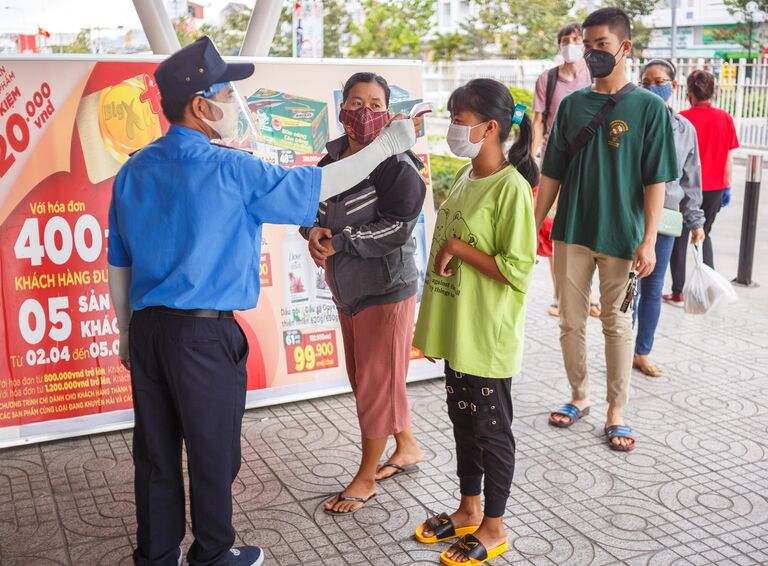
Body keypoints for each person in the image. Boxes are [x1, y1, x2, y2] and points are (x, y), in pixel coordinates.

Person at [107, 37, 420, 566]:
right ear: (202, 106)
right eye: (227, 91)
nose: (234, 102)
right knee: (212, 453)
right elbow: (322, 181)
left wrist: (124, 331)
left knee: (156, 455)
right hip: (204, 337)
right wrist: (387, 146)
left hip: (148, 331)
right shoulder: (231, 169)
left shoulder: (134, 168)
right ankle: (212, 553)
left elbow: (120, 261)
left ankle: (157, 556)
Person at [535, 8, 679, 452]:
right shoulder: (574, 105)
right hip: (572, 230)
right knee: (570, 323)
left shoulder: (650, 108)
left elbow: (656, 179)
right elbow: (552, 171)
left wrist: (649, 238)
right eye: (588, 45)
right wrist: (532, 221)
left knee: (616, 324)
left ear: (624, 48)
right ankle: (580, 396)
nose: (593, 53)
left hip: (623, 235)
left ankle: (618, 409)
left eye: (602, 45)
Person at [412, 79, 538, 566]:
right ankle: (468, 510)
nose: (451, 129)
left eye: (459, 120)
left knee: (491, 430)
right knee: (463, 423)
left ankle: (494, 525)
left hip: (485, 335)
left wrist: (458, 248)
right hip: (457, 327)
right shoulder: (467, 177)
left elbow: (518, 269)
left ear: (489, 127)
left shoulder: (513, 189)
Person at [300, 72, 427, 515]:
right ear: (340, 110)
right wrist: (312, 232)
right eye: (355, 102)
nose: (364, 112)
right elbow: (309, 206)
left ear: (390, 113)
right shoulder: (331, 159)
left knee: (374, 383)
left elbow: (398, 227)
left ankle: (365, 478)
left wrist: (342, 240)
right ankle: (406, 446)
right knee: (368, 377)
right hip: (347, 289)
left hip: (386, 288)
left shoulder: (398, 164)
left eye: (375, 104)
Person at [634, 60, 705, 377]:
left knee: (652, 288)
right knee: (625, 286)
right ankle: (620, 347)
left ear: (673, 86)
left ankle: (641, 351)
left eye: (659, 81)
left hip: (665, 218)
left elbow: (691, 179)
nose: (652, 87)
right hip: (630, 214)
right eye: (645, 82)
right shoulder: (631, 122)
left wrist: (697, 221)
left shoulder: (684, 130)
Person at [531, 23, 599, 318]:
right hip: (554, 164)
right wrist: (532, 159)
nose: (569, 44)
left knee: (589, 229)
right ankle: (559, 296)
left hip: (590, 166)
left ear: (584, 44)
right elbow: (537, 122)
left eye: (574, 39)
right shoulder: (547, 79)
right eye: (564, 40)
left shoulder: (595, 76)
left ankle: (589, 293)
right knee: (555, 231)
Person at [663, 69, 739, 305]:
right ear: (712, 92)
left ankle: (678, 291)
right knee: (704, 234)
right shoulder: (724, 118)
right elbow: (728, 157)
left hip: (685, 189)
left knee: (679, 239)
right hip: (716, 188)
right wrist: (727, 185)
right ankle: (710, 288)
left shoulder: (682, 120)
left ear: (688, 92)